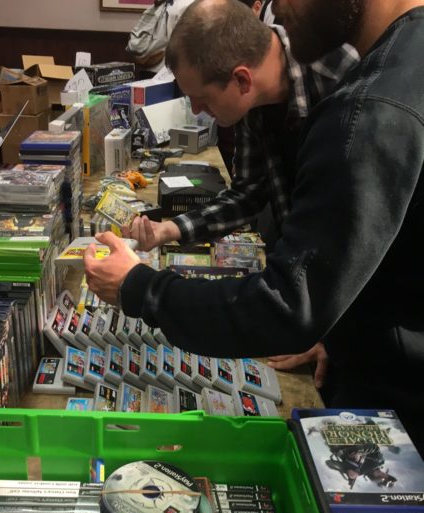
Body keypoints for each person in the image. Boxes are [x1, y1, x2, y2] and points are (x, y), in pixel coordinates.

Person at [84, 0, 424, 455]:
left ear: (242, 79)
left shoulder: (359, 100)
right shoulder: (386, 65)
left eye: (203, 99)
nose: (275, 6)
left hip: (398, 387)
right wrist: (172, 231)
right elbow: (255, 195)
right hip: (352, 330)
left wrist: (139, 287)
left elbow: (291, 302)